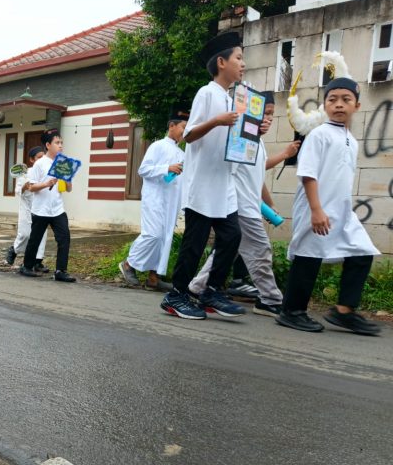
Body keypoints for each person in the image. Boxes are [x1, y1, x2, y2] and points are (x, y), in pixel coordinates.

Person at [277, 77, 380, 335]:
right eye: (332, 99)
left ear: (357, 106)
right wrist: (316, 210)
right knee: (309, 255)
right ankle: (292, 311)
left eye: (346, 99)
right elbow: (308, 174)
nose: (339, 104)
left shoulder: (351, 140)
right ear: (325, 105)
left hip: (342, 211)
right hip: (316, 207)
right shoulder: (319, 134)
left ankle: (344, 311)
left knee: (362, 251)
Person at [188, 92, 301, 316]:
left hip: (249, 204)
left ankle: (197, 287)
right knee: (260, 249)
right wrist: (285, 154)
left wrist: (269, 203)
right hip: (240, 206)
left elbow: (257, 176)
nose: (268, 119)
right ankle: (270, 299)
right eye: (264, 113)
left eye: (271, 114)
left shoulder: (258, 142)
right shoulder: (240, 138)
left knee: (227, 250)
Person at [160, 31, 246, 319]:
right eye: (238, 58)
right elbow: (189, 135)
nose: (243, 64)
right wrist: (217, 120)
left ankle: (212, 291)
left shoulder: (232, 99)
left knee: (232, 237)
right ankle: (176, 295)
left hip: (223, 183)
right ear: (221, 62)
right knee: (194, 244)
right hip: (202, 184)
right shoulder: (207, 93)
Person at [120, 109, 188, 291]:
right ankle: (129, 264)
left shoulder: (182, 154)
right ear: (172, 126)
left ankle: (153, 278)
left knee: (165, 238)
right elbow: (143, 170)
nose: (185, 132)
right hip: (155, 198)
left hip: (171, 202)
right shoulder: (158, 146)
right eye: (183, 127)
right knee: (153, 234)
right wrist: (167, 168)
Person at [19, 128, 76, 282]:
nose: (61, 145)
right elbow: (31, 187)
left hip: (58, 209)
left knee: (64, 238)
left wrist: (68, 179)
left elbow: (68, 189)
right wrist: (46, 183)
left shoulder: (63, 163)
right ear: (48, 145)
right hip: (41, 209)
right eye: (57, 142)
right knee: (35, 240)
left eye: (61, 142)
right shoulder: (39, 164)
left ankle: (60, 271)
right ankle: (27, 266)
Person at [5, 146, 49, 273]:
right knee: (25, 234)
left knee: (41, 236)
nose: (42, 160)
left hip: (41, 209)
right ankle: (14, 250)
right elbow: (18, 191)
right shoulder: (25, 173)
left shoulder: (46, 173)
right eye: (39, 157)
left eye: (43, 157)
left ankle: (37, 261)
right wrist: (24, 187)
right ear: (31, 160)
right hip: (26, 209)